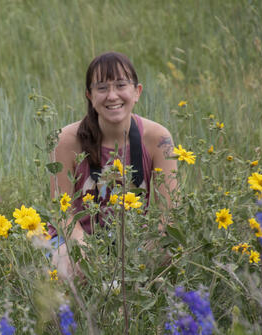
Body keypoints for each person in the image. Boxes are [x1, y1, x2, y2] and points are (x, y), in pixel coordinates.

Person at [49, 51, 177, 279]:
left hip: (133, 243)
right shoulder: (65, 141)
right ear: (89, 95)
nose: (112, 96)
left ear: (137, 92)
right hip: (76, 238)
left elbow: (170, 212)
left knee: (173, 247)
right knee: (67, 263)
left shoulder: (158, 139)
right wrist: (85, 251)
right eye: (101, 88)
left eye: (120, 85)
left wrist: (140, 257)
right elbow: (61, 213)